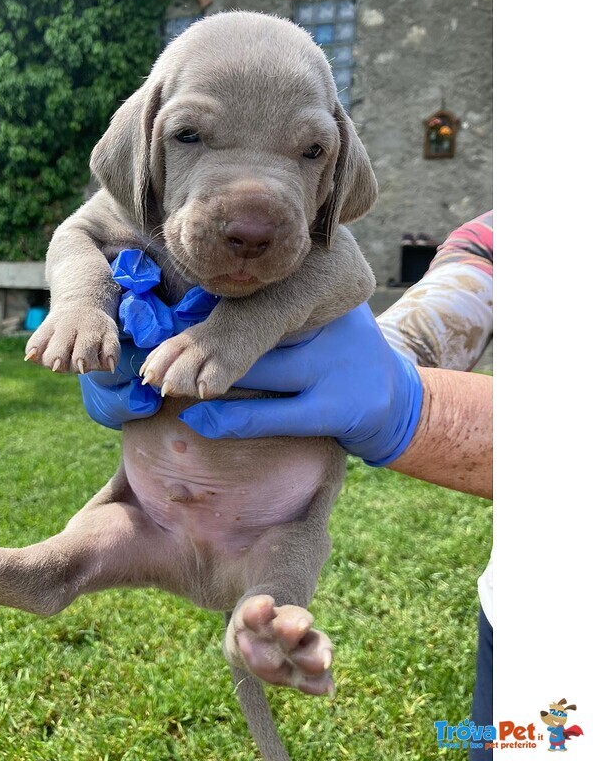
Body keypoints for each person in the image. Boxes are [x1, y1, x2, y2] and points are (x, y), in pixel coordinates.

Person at [78, 211, 494, 760]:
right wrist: (370, 350)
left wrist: (417, 407)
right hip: (519, 607)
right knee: (509, 740)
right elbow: (472, 279)